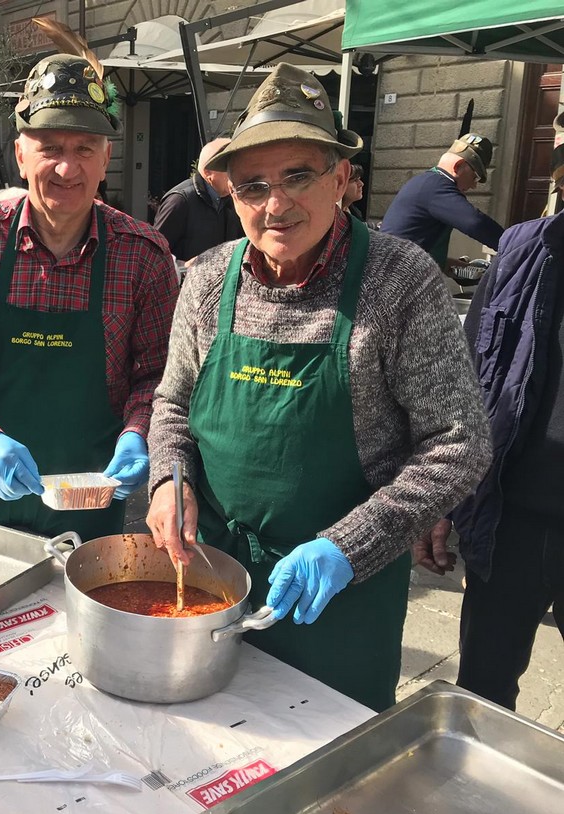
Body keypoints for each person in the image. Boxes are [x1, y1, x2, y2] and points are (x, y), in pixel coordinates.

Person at [145, 64, 492, 712]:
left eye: (297, 175)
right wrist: (167, 478)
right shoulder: (205, 278)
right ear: (230, 193)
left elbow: (460, 441)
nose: (276, 204)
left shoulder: (399, 281)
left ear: (342, 178)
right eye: (253, 185)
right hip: (211, 581)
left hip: (340, 603)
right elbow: (172, 404)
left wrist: (346, 546)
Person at [0, 54, 179, 540]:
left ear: (106, 158)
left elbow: (158, 375)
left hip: (92, 500)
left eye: (85, 148)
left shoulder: (142, 254)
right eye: (50, 146)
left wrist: (138, 433)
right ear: (20, 155)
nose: (67, 166)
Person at [441, 111, 564, 711]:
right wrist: (445, 500)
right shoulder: (524, 251)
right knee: (483, 693)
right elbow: (469, 385)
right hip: (507, 518)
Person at [381, 133, 504, 268]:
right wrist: (517, 244)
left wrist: (447, 265)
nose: (474, 185)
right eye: (475, 177)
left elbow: (415, 237)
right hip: (396, 275)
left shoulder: (425, 182)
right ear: (458, 166)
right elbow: (475, 223)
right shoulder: (438, 187)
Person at [153, 136, 244, 262]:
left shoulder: (234, 200)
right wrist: (183, 267)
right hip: (186, 279)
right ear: (208, 173)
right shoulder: (180, 201)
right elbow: (153, 252)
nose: (236, 174)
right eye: (227, 168)